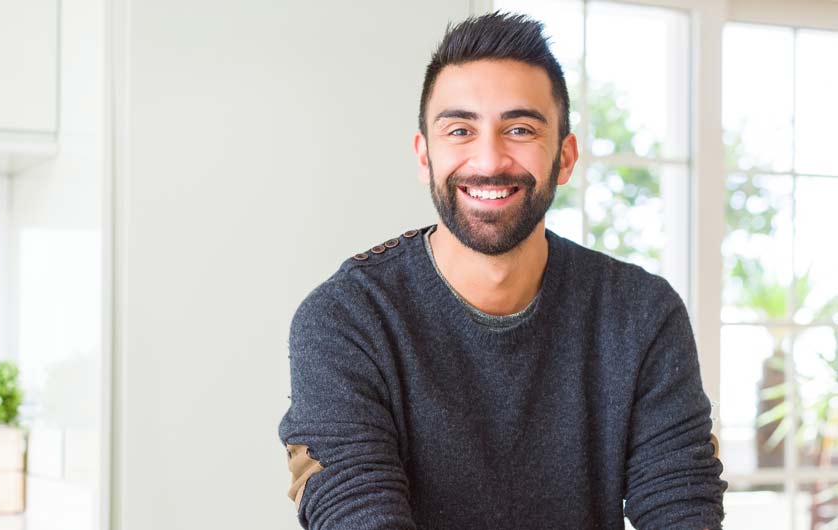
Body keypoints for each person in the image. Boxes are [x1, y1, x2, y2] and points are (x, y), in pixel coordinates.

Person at [277, 11, 727, 530]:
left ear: (564, 156)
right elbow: (355, 512)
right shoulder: (345, 320)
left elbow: (682, 507)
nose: (489, 159)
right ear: (425, 155)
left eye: (519, 129)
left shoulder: (641, 315)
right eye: (460, 130)